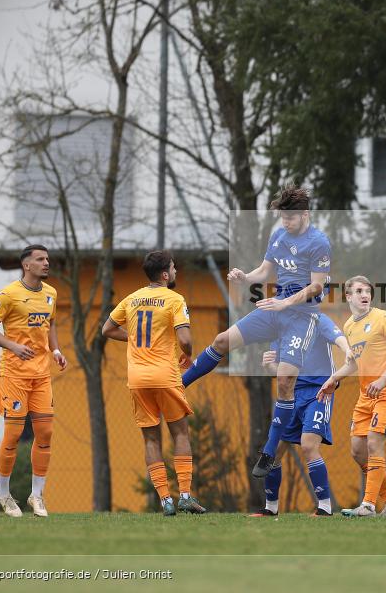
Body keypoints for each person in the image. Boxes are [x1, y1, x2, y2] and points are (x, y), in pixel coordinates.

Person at [181, 186, 332, 479]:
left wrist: (285, 301)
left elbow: (316, 287)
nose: (285, 223)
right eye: (282, 218)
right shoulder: (278, 235)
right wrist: (245, 277)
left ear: (305, 215)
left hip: (302, 317)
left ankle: (269, 450)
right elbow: (265, 270)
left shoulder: (319, 242)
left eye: (290, 218)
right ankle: (177, 387)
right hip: (274, 310)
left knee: (285, 379)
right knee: (222, 340)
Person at [102, 250, 207, 516]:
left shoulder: (132, 299)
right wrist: (188, 354)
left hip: (137, 377)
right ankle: (184, 495)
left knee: (151, 439)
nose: (176, 272)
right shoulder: (174, 299)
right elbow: (184, 339)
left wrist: (136, 339)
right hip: (165, 375)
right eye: (173, 268)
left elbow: (107, 329)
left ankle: (165, 501)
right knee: (180, 433)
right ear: (164, 274)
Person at [0, 244, 67, 517]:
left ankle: (36, 495)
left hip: (41, 375)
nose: (46, 263)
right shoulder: (8, 294)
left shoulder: (51, 294)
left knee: (46, 433)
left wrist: (55, 350)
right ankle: (3, 493)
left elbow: (50, 324)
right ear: (26, 265)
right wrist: (13, 346)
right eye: (40, 259)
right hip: (14, 375)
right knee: (14, 434)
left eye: (47, 259)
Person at [319, 276, 386, 518]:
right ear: (348, 296)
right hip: (367, 394)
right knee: (358, 450)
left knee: (373, 443)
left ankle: (368, 505)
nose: (365, 295)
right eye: (359, 291)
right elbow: (353, 364)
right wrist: (333, 378)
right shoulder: (350, 326)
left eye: (368, 291)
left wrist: (382, 379)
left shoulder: (384, 318)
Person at [249, 312, 353, 517]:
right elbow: (280, 371)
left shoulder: (317, 319)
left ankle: (324, 508)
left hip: (318, 392)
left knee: (308, 445)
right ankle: (271, 508)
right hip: (291, 396)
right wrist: (269, 365)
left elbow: (339, 338)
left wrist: (347, 350)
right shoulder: (281, 331)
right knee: (275, 450)